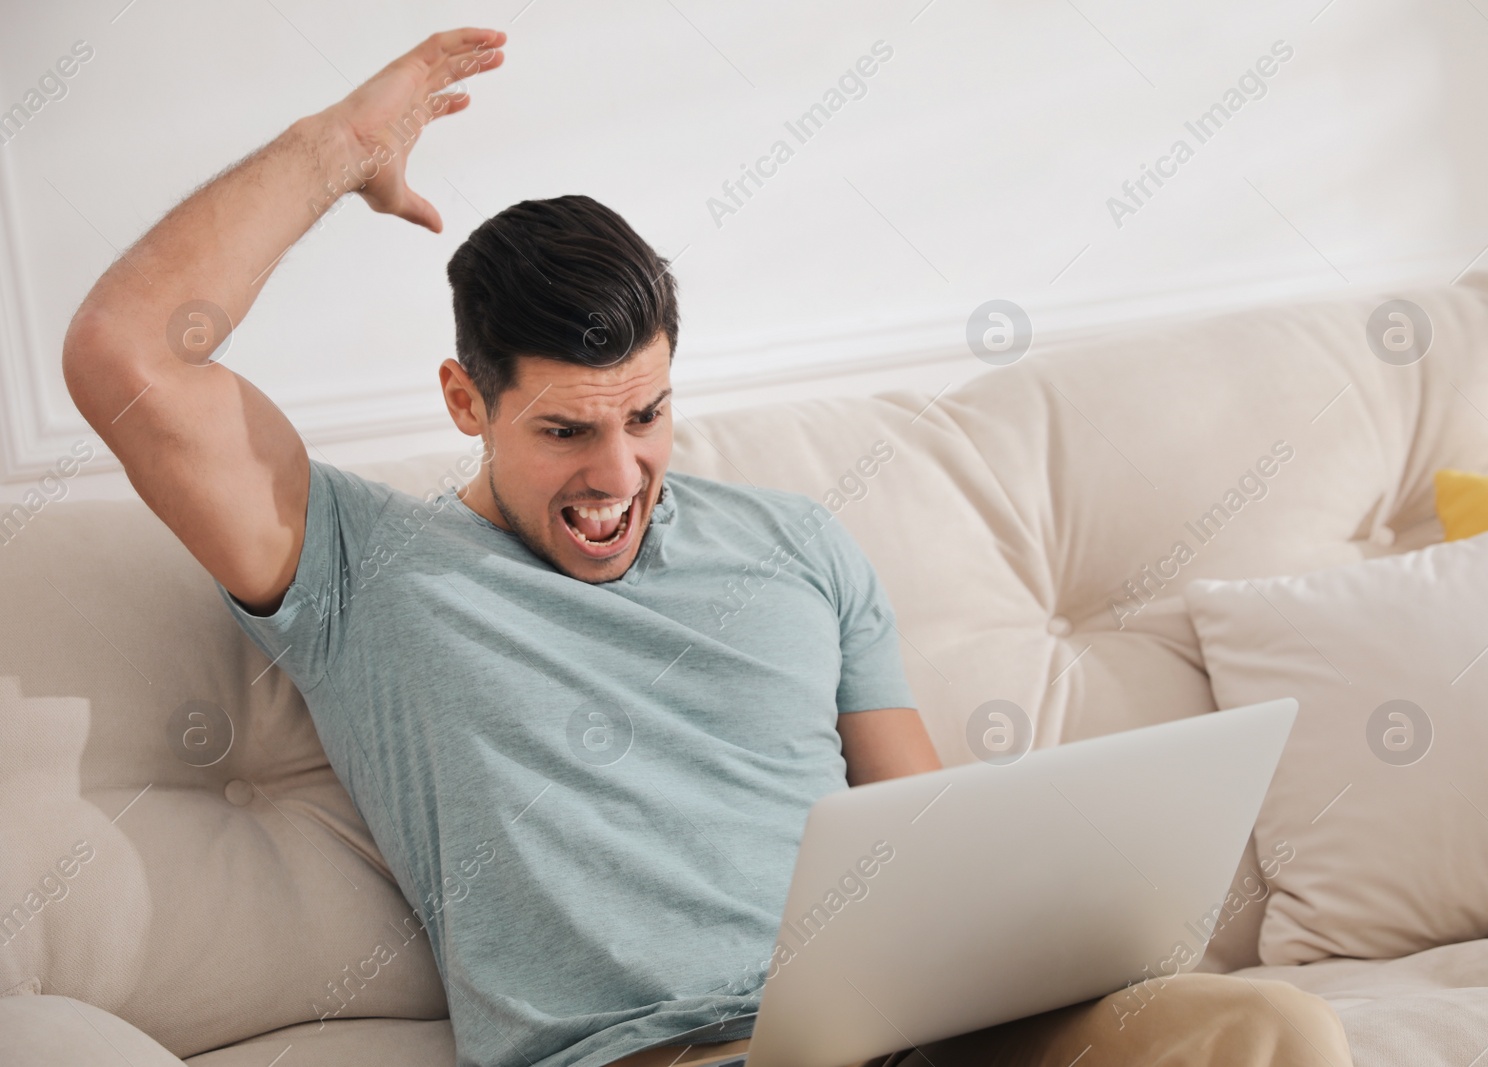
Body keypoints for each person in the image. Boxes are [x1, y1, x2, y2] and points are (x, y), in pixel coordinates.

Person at [61, 27, 1353, 1067]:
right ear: (467, 402)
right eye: (567, 430)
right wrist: (336, 150)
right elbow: (126, 352)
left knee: (1269, 1029)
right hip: (652, 1055)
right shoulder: (360, 572)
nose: (619, 477)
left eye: (649, 415)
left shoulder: (796, 541)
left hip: (905, 1032)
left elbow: (926, 827)